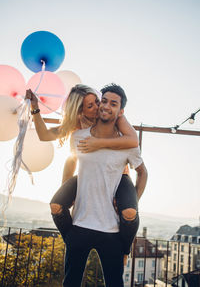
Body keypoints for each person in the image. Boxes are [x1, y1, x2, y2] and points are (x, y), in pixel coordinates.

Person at [25, 84, 140, 263]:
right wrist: (34, 107)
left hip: (118, 175)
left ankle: (124, 249)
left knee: (128, 210)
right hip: (89, 174)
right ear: (80, 111)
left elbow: (133, 140)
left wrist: (97, 143)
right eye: (90, 106)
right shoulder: (77, 126)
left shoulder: (115, 118)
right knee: (57, 203)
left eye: (96, 101)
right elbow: (46, 136)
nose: (98, 107)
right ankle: (72, 240)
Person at [63, 83, 147, 287]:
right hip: (79, 225)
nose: (106, 106)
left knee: (114, 284)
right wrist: (67, 192)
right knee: (70, 283)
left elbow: (143, 172)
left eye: (114, 103)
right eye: (104, 101)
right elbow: (70, 162)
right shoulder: (78, 137)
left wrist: (132, 201)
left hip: (112, 230)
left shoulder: (126, 143)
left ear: (121, 111)